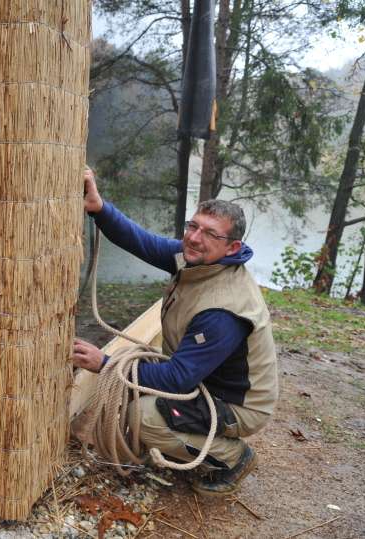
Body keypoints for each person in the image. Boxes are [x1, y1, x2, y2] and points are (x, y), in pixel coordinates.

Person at [72, 168, 278, 497]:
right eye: (193, 226)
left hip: (236, 405)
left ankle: (232, 457)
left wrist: (105, 362)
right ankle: (184, 436)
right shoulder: (199, 261)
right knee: (142, 380)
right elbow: (143, 242)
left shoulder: (222, 310)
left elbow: (177, 378)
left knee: (144, 415)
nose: (195, 238)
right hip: (207, 380)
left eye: (210, 233)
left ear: (232, 246)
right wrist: (99, 208)